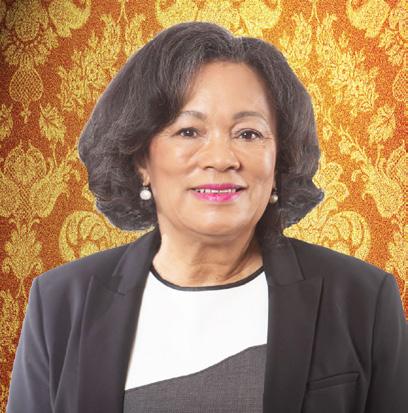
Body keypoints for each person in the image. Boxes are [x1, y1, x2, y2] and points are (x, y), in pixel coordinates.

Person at [6, 21, 407, 413]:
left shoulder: (362, 299)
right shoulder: (60, 302)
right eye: (188, 131)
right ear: (141, 159)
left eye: (248, 134)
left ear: (279, 158)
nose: (221, 159)